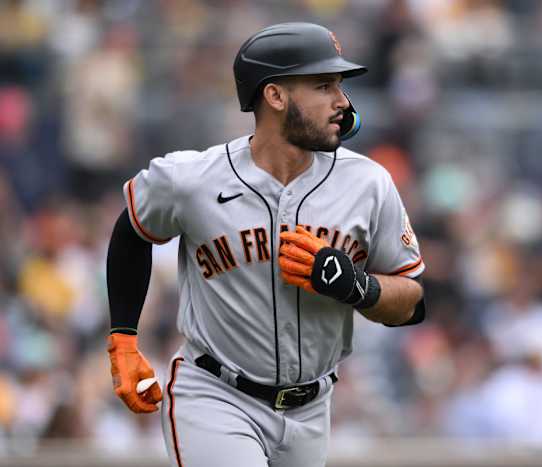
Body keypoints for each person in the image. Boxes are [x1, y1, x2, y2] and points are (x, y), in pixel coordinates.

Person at [105, 22, 425, 467]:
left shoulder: (368, 183)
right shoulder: (192, 179)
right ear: (275, 96)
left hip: (313, 410)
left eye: (339, 86)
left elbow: (411, 301)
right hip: (215, 396)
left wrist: (358, 288)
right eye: (323, 85)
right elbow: (131, 231)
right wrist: (124, 339)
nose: (342, 102)